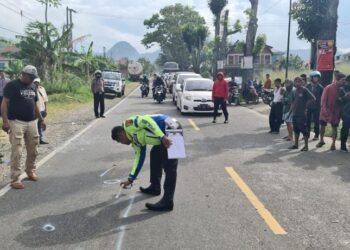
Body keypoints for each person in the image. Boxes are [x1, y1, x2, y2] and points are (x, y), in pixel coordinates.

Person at [111, 114, 181, 211]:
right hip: (163, 135)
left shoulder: (128, 124)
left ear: (120, 134)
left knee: (170, 167)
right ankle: (155, 187)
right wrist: (131, 179)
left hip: (173, 127)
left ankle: (168, 202)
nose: (122, 143)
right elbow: (139, 158)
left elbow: (146, 120)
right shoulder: (134, 141)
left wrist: (162, 137)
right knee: (154, 155)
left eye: (120, 141)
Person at [1, 65, 46, 189]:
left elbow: (34, 104)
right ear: (23, 74)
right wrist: (5, 121)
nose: (32, 80)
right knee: (17, 150)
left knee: (34, 149)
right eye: (30, 77)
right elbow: (5, 103)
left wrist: (41, 120)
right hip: (16, 122)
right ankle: (15, 178)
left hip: (32, 121)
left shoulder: (32, 86)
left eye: (33, 78)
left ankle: (30, 170)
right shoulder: (12, 85)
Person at [317, 73, 346, 151]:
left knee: (334, 127)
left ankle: (333, 144)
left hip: (336, 112)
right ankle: (321, 140)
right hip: (326, 110)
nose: (344, 82)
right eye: (342, 80)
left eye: (344, 80)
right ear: (337, 80)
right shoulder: (328, 87)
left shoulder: (342, 89)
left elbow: (343, 102)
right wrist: (324, 110)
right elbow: (323, 100)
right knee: (322, 126)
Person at [289, 77, 316, 151]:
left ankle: (306, 146)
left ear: (302, 82)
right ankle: (296, 144)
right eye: (296, 81)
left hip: (302, 114)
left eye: (299, 81)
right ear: (294, 83)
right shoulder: (294, 91)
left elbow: (313, 98)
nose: (298, 83)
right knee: (296, 130)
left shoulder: (304, 90)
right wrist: (289, 113)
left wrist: (306, 105)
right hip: (295, 114)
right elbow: (293, 103)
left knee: (304, 130)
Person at [306, 71, 324, 141]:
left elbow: (322, 97)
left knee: (317, 121)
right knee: (307, 121)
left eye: (317, 77)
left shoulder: (320, 87)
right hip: (309, 107)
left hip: (317, 107)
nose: (316, 78)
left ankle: (316, 135)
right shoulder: (308, 86)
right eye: (314, 77)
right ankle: (307, 134)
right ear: (311, 78)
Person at [34, 78, 49, 145]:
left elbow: (45, 99)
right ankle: (36, 140)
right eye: (35, 82)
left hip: (42, 109)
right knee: (35, 126)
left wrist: (46, 109)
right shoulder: (31, 89)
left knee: (39, 125)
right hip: (34, 111)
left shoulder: (42, 89)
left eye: (37, 82)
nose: (36, 83)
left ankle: (40, 140)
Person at [337, 75, 350, 152]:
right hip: (346, 113)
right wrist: (345, 97)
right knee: (345, 128)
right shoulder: (342, 89)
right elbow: (338, 100)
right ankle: (343, 145)